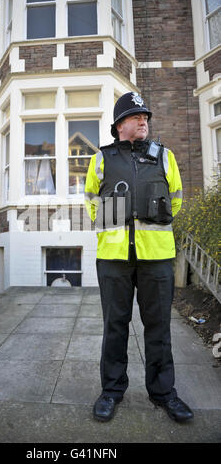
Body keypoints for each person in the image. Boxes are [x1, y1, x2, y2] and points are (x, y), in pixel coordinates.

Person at [84, 91, 193, 423]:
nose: (143, 120)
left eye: (145, 115)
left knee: (158, 328)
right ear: (120, 125)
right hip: (113, 258)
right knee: (114, 327)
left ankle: (164, 393)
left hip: (157, 258)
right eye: (136, 116)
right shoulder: (101, 159)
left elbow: (175, 199)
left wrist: (148, 222)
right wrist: (118, 223)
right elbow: (91, 202)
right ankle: (111, 391)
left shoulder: (165, 156)